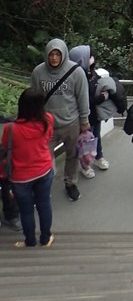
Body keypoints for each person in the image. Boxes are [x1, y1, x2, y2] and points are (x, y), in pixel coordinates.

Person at [30, 38, 90, 203]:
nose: (54, 58)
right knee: (45, 160)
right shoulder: (38, 72)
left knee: (73, 155)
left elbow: (82, 98)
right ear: (46, 55)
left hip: (71, 123)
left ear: (63, 54)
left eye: (57, 54)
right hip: (47, 125)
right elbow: (34, 98)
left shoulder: (76, 72)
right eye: (51, 54)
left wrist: (84, 121)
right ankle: (44, 188)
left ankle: (71, 183)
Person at [2, 89, 55, 248]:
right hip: (44, 169)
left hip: (20, 176)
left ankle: (30, 241)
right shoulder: (48, 119)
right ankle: (45, 239)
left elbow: (5, 147)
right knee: (44, 205)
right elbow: (48, 138)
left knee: (26, 211)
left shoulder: (11, 129)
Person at [69, 45, 111, 178]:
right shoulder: (75, 77)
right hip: (83, 116)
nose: (92, 59)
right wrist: (101, 98)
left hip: (95, 114)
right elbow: (82, 99)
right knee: (85, 141)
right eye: (89, 56)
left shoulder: (92, 73)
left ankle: (99, 157)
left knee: (96, 137)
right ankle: (85, 165)